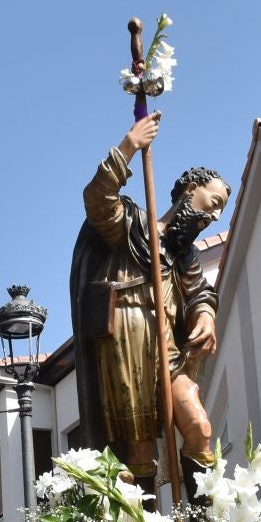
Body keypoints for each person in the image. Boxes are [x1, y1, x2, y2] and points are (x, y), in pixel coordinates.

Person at [68, 111, 228, 493]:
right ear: (191, 187)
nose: (215, 215)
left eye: (220, 209)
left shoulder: (184, 254)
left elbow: (199, 293)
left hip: (168, 351)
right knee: (138, 453)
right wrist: (129, 146)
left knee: (200, 428)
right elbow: (98, 201)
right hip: (126, 342)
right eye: (213, 201)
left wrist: (205, 315)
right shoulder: (132, 225)